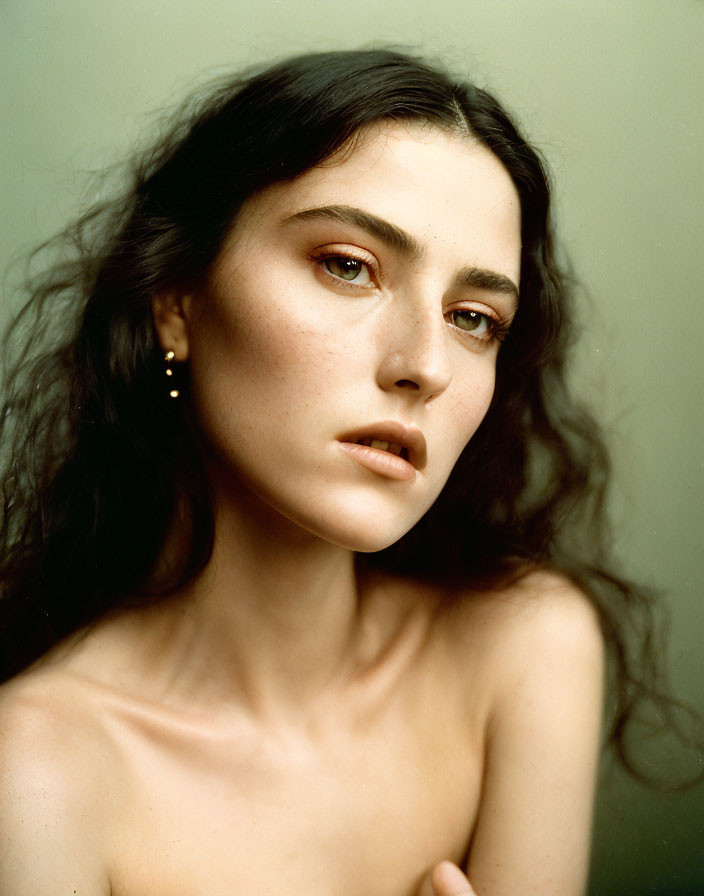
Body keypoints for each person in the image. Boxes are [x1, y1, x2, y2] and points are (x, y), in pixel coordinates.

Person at [0, 49, 656, 895]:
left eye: (473, 318)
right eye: (348, 265)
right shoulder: (37, 774)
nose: (425, 364)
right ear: (175, 301)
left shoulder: (525, 648)